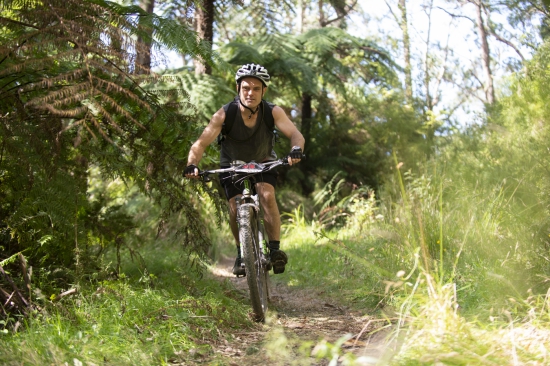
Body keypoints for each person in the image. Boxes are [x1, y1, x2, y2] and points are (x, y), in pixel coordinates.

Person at [184, 63, 305, 277]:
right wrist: (192, 164)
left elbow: (296, 135)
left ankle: (275, 250)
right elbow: (200, 144)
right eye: (246, 88)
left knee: (267, 194)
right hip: (232, 164)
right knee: (235, 204)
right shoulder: (224, 114)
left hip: (264, 162)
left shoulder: (272, 111)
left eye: (256, 89)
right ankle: (242, 253)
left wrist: (295, 150)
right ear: (238, 88)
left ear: (264, 91)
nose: (251, 93)